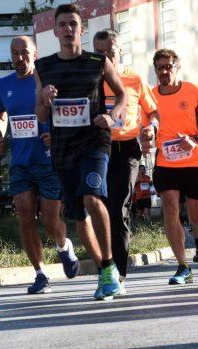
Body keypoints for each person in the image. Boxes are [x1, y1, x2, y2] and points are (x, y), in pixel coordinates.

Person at [34, 4, 127, 300]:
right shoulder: (43, 66)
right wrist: (44, 99)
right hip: (63, 148)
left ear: (81, 30)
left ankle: (109, 266)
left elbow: (122, 93)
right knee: (78, 216)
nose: (68, 29)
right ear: (55, 31)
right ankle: (105, 271)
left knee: (92, 196)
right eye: (63, 24)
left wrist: (112, 116)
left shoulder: (97, 61)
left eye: (73, 24)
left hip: (94, 141)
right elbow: (39, 115)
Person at [0, 35, 79, 294]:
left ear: (35, 54)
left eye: (25, 52)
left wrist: (55, 135)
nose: (20, 58)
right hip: (20, 163)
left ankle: (63, 246)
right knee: (25, 217)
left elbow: (67, 112)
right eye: (15, 53)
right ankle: (41, 275)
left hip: (48, 161)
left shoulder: (47, 82)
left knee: (51, 221)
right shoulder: (2, 85)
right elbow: (0, 115)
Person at [93, 29, 159, 294]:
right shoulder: (90, 79)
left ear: (120, 50)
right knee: (98, 209)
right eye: (99, 52)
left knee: (118, 208)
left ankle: (118, 275)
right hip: (96, 149)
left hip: (127, 149)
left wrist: (151, 127)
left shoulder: (134, 78)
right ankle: (105, 269)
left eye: (110, 51)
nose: (105, 57)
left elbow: (153, 111)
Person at [149, 48, 198, 284]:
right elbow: (147, 122)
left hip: (193, 161)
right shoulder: (151, 96)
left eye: (168, 66)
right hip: (165, 162)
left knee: (195, 218)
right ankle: (183, 266)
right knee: (170, 209)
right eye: (159, 68)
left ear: (177, 67)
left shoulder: (191, 90)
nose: (164, 71)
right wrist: (146, 135)